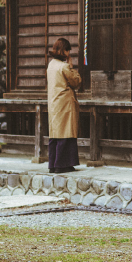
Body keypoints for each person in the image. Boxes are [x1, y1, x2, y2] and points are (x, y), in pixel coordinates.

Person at [45, 38, 81, 174]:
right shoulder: (64, 67)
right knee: (66, 133)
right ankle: (63, 165)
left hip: (54, 103)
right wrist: (71, 66)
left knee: (55, 134)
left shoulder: (51, 65)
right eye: (68, 50)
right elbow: (76, 82)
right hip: (65, 104)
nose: (68, 53)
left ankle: (53, 165)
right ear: (64, 50)